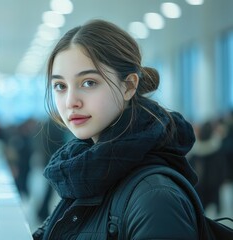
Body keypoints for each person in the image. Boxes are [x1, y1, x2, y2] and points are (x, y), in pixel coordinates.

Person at [32, 19, 199, 239]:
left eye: (89, 82)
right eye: (60, 86)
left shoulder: (155, 197)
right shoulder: (84, 173)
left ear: (129, 86)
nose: (71, 101)